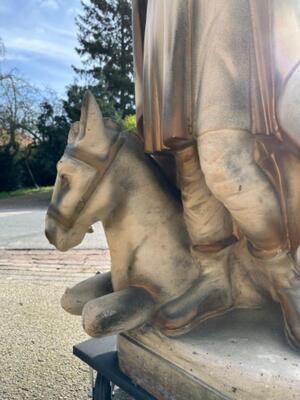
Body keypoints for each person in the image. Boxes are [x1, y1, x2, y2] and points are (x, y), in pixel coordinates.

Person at [132, 0, 300, 348]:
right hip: (169, 13)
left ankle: (285, 276)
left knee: (224, 157)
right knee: (186, 156)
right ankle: (213, 277)